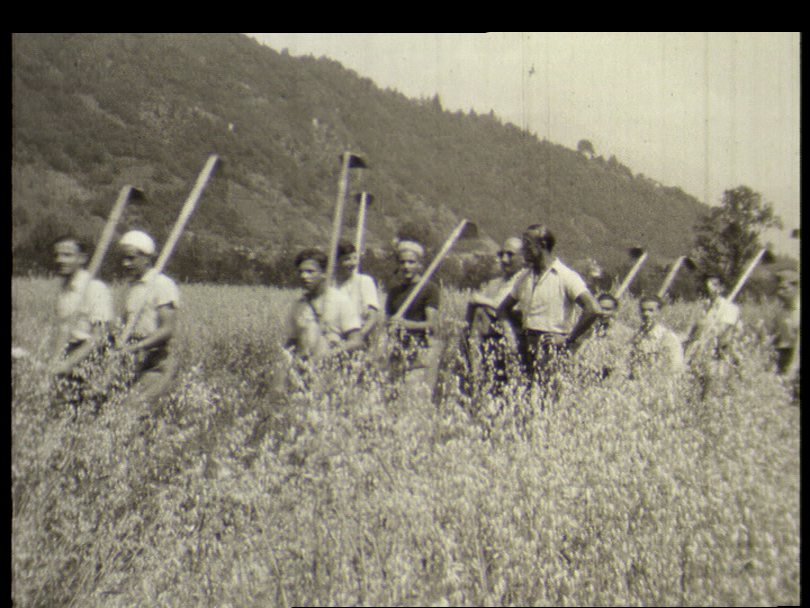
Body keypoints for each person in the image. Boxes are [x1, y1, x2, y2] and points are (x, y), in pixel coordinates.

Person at [497, 224, 602, 392]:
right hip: (525, 346)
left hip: (551, 349)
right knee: (523, 397)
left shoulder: (566, 276)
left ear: (542, 245)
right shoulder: (524, 277)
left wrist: (568, 340)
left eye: (527, 244)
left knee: (547, 397)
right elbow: (502, 309)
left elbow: (593, 309)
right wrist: (510, 335)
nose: (523, 249)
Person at [50, 235, 115, 413]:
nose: (59, 260)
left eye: (67, 255)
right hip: (69, 356)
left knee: (86, 412)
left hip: (91, 358)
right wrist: (55, 362)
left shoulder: (95, 288)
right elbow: (63, 331)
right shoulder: (63, 290)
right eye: (57, 255)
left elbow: (99, 336)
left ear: (82, 258)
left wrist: (69, 363)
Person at [117, 230, 180, 406]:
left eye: (131, 258)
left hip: (157, 361)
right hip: (134, 361)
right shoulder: (133, 287)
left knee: (131, 406)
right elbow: (126, 324)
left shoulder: (162, 284)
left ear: (147, 258)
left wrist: (136, 347)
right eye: (123, 258)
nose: (125, 263)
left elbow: (167, 329)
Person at [464, 236, 526, 391]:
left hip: (514, 342)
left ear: (523, 258)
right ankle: (473, 369)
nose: (505, 260)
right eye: (502, 254)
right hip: (488, 341)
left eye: (511, 255)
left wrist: (479, 299)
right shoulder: (494, 283)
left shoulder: (525, 282)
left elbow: (503, 307)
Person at [283, 248, 363, 363]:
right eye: (301, 272)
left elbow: (356, 341)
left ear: (324, 274)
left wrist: (327, 356)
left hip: (331, 367)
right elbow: (292, 342)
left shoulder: (341, 300)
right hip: (304, 367)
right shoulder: (298, 305)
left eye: (310, 271)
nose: (304, 276)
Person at [384, 238, 442, 396]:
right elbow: (388, 321)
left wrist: (405, 324)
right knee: (393, 398)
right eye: (402, 262)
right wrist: (390, 325)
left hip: (420, 351)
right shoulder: (394, 291)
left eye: (411, 262)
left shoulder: (429, 289)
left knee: (414, 397)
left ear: (419, 265)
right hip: (397, 351)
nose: (406, 266)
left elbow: (432, 325)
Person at [683, 274, 742, 399]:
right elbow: (692, 331)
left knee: (713, 392)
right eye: (707, 285)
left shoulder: (730, 308)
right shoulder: (704, 309)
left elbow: (720, 331)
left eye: (714, 284)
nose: (709, 288)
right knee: (693, 392)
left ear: (722, 288)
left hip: (718, 355)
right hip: (699, 354)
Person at [570, 292, 634, 385]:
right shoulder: (587, 329)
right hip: (587, 375)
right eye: (600, 308)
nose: (603, 312)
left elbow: (623, 360)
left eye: (607, 309)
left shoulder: (623, 332)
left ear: (615, 311)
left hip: (611, 376)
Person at [335, 239, 381, 347]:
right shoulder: (333, 285)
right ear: (338, 262)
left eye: (354, 258)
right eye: (347, 259)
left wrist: (357, 337)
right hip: (338, 339)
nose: (352, 263)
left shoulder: (364, 281)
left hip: (361, 338)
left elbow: (373, 317)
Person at [628, 295, 685, 381]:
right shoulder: (636, 336)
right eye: (643, 310)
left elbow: (675, 366)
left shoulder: (668, 337)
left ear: (659, 312)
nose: (646, 314)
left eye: (651, 310)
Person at [773, 268, 799, 400]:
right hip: (784, 356)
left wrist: (792, 370)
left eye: (785, 288)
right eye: (779, 289)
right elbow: (780, 338)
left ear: (796, 287)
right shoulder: (782, 311)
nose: (780, 293)